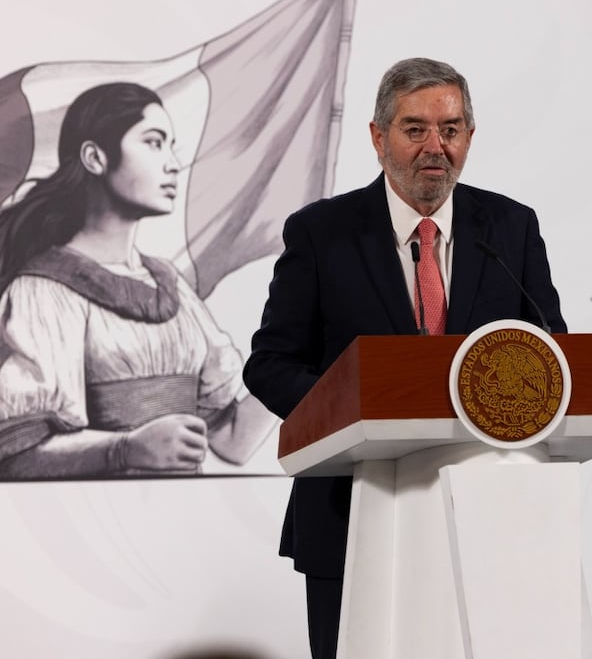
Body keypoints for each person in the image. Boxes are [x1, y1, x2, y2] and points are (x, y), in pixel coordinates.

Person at [243, 58, 567, 659]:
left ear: (470, 136)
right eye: (415, 129)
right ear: (378, 137)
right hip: (350, 508)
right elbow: (270, 364)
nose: (435, 147)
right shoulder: (321, 232)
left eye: (451, 129)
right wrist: (351, 412)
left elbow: (550, 353)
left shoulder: (511, 228)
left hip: (488, 517)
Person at [0, 82, 276, 482]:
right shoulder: (44, 291)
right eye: (154, 143)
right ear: (95, 157)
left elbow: (232, 439)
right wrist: (125, 448)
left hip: (179, 514)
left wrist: (310, 357)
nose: (173, 164)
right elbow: (13, 456)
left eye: (171, 146)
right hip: (91, 516)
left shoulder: (170, 286)